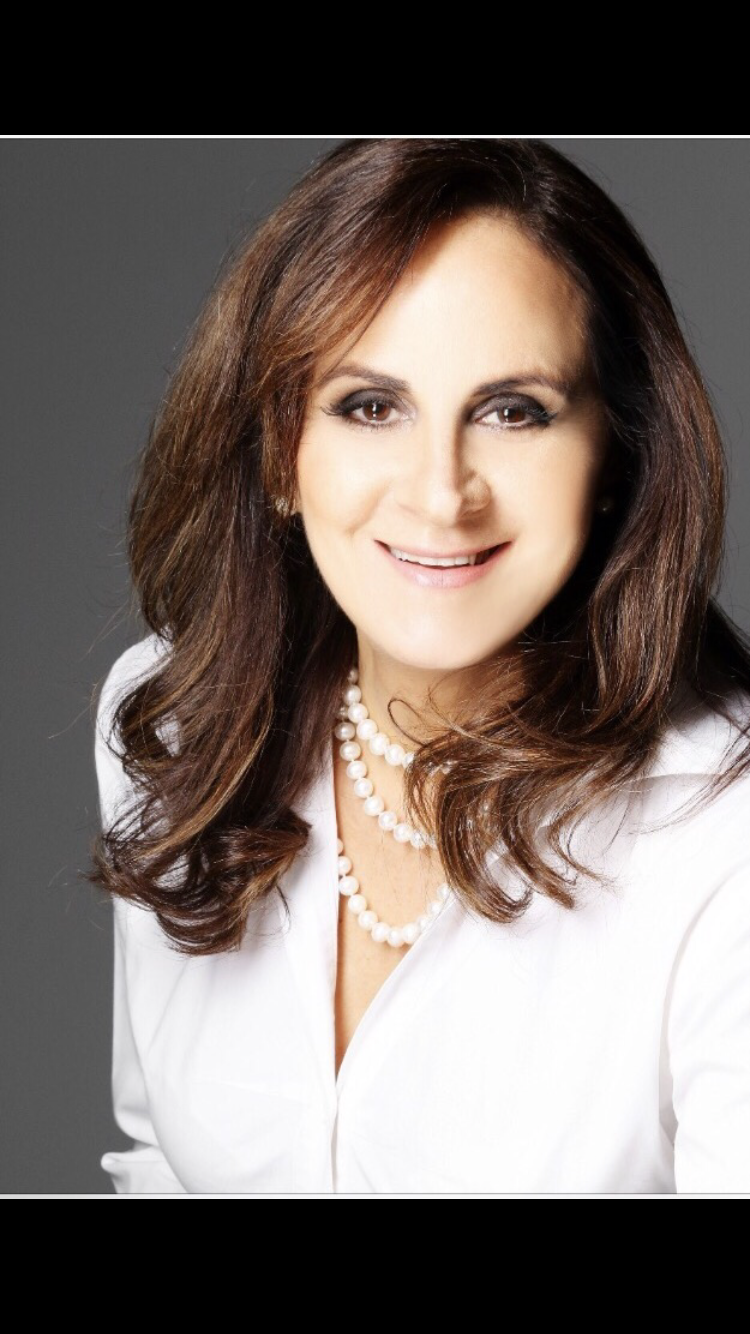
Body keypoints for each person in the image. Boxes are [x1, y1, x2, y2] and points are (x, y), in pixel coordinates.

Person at [89, 138, 750, 1195]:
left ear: (615, 456)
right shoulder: (177, 722)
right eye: (370, 406)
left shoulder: (723, 830)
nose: (442, 494)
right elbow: (164, 1164)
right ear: (279, 450)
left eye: (512, 411)